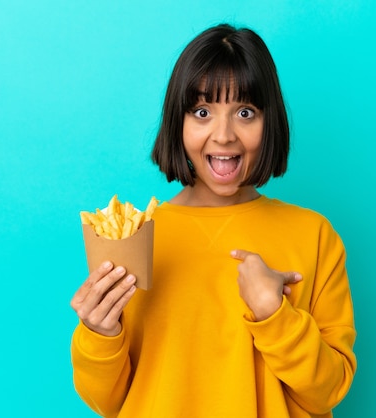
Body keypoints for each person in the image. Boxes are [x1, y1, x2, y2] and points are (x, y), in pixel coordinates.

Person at [70, 23, 356, 418]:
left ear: (268, 122)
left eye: (245, 112)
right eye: (202, 112)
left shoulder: (314, 235)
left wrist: (276, 317)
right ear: (178, 122)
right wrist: (100, 335)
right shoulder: (134, 237)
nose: (224, 135)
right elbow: (109, 402)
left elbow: (329, 390)